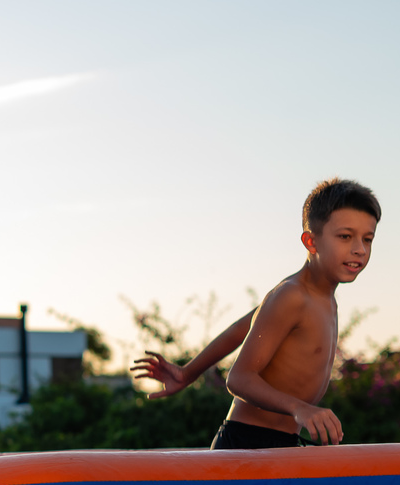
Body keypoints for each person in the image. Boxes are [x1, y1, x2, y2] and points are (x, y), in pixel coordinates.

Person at [131, 177, 380, 449]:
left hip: (283, 442)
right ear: (311, 241)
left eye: (367, 239)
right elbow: (238, 378)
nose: (360, 249)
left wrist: (188, 372)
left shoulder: (323, 299)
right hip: (248, 443)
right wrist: (301, 408)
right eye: (345, 236)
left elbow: (244, 327)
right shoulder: (293, 294)